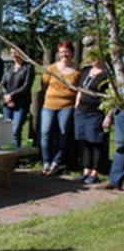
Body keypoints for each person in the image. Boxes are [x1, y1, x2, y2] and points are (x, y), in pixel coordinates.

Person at [40, 41, 81, 176]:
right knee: (45, 132)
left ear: (72, 53)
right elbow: (44, 84)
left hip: (67, 106)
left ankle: (56, 163)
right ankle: (46, 161)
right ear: (58, 53)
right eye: (62, 51)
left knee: (63, 134)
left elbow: (78, 90)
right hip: (49, 105)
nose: (65, 54)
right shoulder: (51, 69)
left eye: (67, 51)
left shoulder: (76, 72)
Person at [74, 58, 109, 183]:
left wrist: (108, 116)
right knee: (85, 141)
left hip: (96, 112)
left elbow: (110, 96)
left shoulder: (106, 74)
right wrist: (77, 104)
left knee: (95, 142)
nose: (93, 60)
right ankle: (86, 170)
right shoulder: (86, 70)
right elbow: (80, 88)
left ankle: (95, 172)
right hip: (81, 110)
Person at [1, 45, 35, 148]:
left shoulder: (28, 68)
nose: (14, 55)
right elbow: (2, 84)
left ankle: (15, 155)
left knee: (15, 130)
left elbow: (26, 86)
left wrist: (12, 96)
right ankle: (7, 153)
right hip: (7, 103)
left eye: (16, 52)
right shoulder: (8, 68)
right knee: (7, 131)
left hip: (21, 104)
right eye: (11, 53)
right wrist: (7, 98)